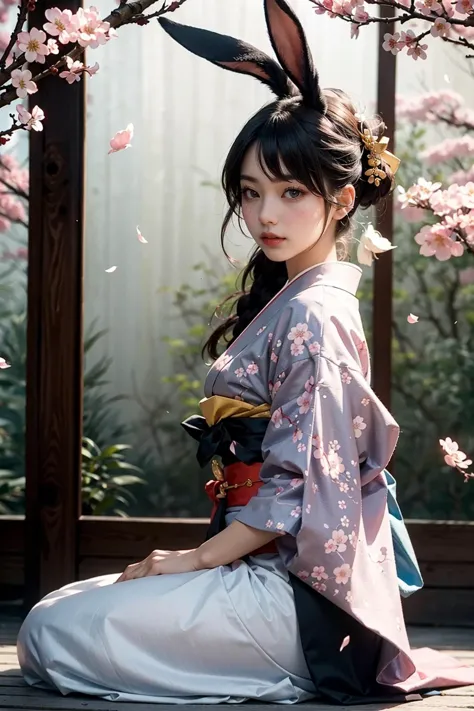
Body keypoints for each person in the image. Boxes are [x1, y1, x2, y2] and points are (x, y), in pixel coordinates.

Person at [17, 0, 474, 704]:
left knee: (51, 631)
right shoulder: (295, 302)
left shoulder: (315, 315)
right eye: (253, 192)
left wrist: (195, 558)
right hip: (267, 575)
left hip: (295, 598)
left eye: (293, 191)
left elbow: (291, 490)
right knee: (58, 611)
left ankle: (271, 668)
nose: (265, 215)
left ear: (343, 199)